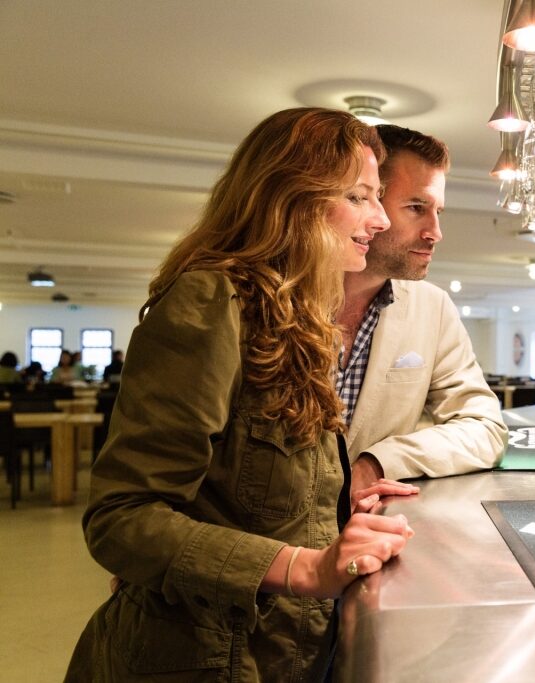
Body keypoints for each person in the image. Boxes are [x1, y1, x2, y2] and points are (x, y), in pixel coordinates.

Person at [66, 108, 414, 681]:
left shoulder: (297, 319)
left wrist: (339, 511)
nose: (380, 219)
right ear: (289, 199)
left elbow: (244, 494)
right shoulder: (210, 304)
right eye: (359, 197)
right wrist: (306, 567)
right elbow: (122, 519)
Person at [337, 124, 507, 502]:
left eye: (438, 211)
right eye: (416, 208)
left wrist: (379, 462)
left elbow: (484, 427)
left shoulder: (433, 307)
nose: (435, 232)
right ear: (365, 201)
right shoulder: (275, 299)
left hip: (372, 536)